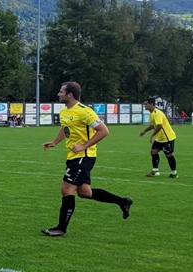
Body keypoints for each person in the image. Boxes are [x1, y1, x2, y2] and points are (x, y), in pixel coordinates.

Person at [41, 81, 132, 236]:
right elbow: (65, 128)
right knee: (84, 192)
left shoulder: (85, 112)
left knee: (66, 189)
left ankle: (61, 228)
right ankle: (122, 201)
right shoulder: (64, 111)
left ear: (70, 94)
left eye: (61, 91)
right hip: (74, 156)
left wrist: (84, 145)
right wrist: (55, 142)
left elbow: (103, 131)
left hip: (84, 156)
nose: (58, 94)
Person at [140, 97, 178, 178]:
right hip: (159, 138)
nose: (144, 105)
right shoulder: (152, 114)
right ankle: (155, 171)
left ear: (151, 104)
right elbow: (152, 125)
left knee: (168, 155)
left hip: (167, 138)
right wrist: (144, 131)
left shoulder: (157, 113)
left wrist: (152, 135)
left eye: (146, 104)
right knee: (153, 152)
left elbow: (159, 126)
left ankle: (174, 173)